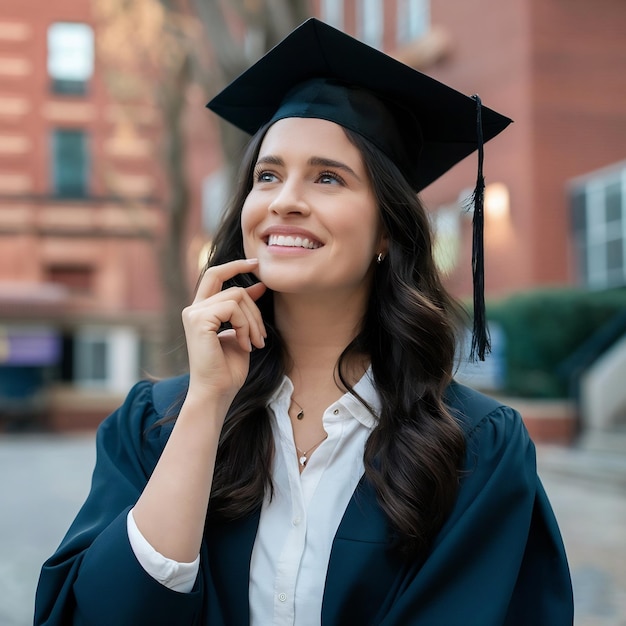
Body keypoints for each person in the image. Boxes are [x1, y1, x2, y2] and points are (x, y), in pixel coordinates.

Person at [34, 18, 573, 626]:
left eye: (327, 177)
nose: (284, 200)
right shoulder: (154, 425)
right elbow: (100, 614)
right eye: (267, 175)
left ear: (387, 234)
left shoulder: (474, 448)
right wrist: (207, 403)